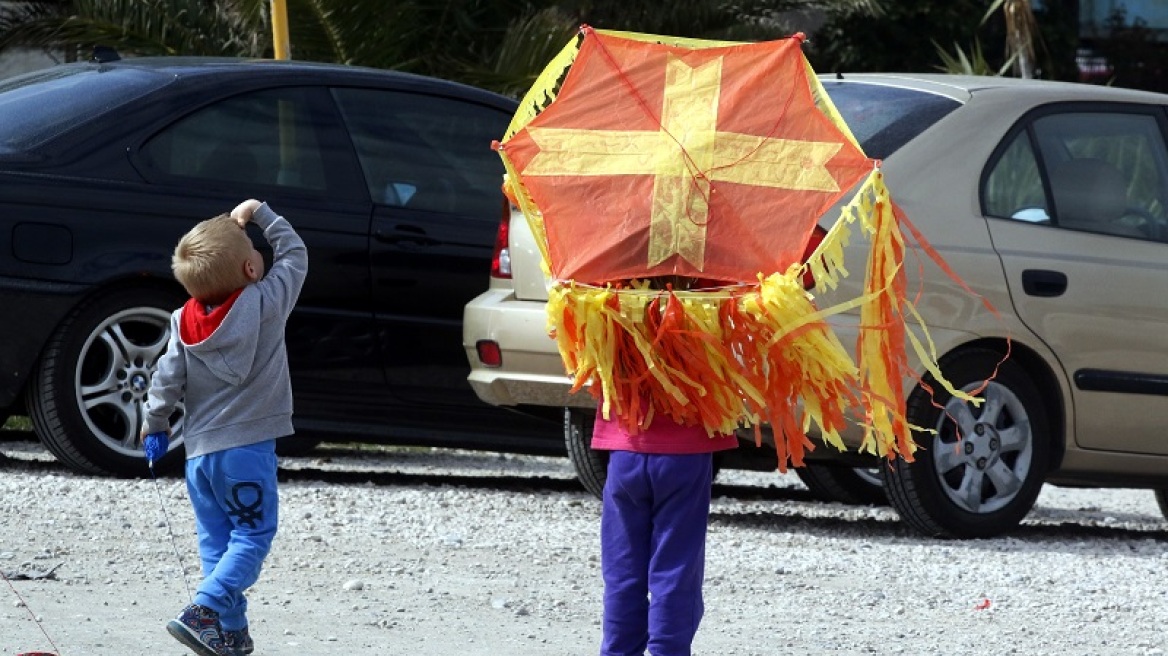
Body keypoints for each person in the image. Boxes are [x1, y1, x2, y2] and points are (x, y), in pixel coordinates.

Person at [141, 198, 307, 656]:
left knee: (217, 543)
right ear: (252, 269)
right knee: (253, 535)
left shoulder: (182, 321)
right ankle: (205, 608)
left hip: (199, 456)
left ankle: (228, 633)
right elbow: (295, 254)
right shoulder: (268, 303)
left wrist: (154, 424)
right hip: (247, 451)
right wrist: (261, 214)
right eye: (254, 250)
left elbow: (166, 378)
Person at [592, 331, 739, 654]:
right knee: (675, 569)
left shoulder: (612, 294)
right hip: (686, 453)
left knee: (622, 569)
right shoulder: (708, 295)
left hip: (626, 451)